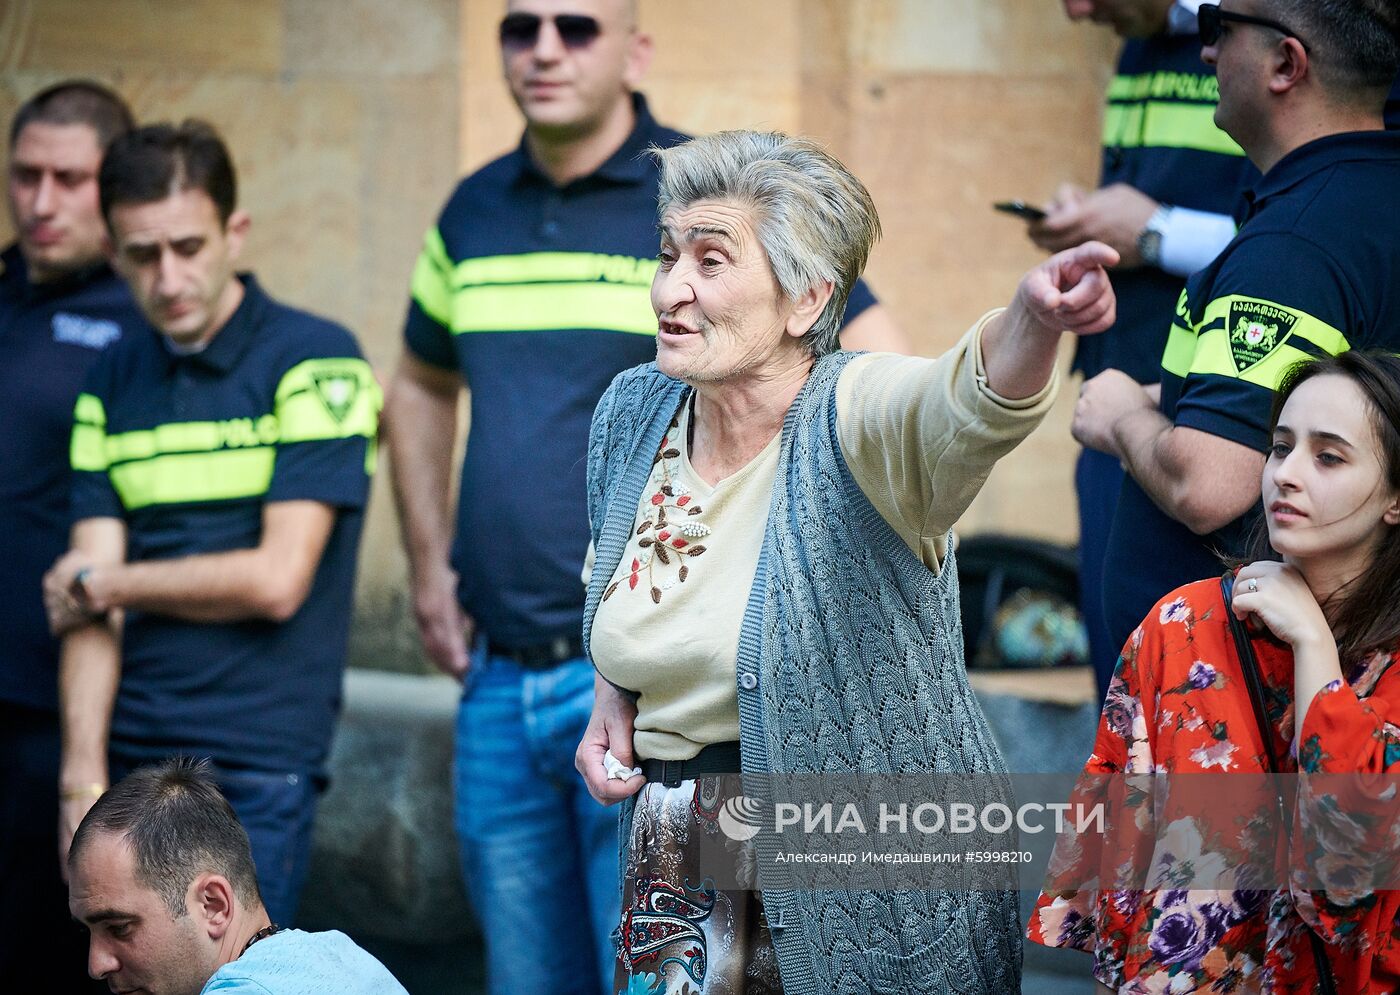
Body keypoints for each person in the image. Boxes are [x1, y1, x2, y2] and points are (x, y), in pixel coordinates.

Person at [382, 2, 907, 992]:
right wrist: (425, 563)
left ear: (637, 50)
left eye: (576, 26)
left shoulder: (697, 205)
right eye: (519, 24)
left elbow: (862, 355)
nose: (543, 48)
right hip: (496, 676)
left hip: (657, 699)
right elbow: (415, 382)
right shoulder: (471, 209)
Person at [576, 129, 1119, 995]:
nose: (667, 288)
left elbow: (956, 405)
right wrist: (613, 691)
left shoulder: (855, 411)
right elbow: (617, 576)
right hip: (677, 847)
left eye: (711, 261)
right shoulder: (634, 410)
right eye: (668, 252)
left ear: (806, 299)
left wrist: (1032, 321)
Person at [44, 120, 381, 927]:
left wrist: (107, 583)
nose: (168, 278)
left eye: (188, 246)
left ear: (235, 231)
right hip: (129, 761)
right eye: (141, 254)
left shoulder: (316, 360)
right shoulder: (111, 380)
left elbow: (275, 579)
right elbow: (89, 617)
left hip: (256, 765)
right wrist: (80, 775)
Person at [1031, 349, 1400, 992]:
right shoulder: (1181, 626)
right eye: (1281, 447)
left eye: (1329, 457)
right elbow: (1118, 881)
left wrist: (1313, 645)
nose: (1286, 474)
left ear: (1396, 498)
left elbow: (1347, 883)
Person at [1073, 0, 1400, 657]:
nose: (1206, 50)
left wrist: (1120, 417)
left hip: (1236, 712)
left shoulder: (1294, 245)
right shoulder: (1365, 196)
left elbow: (1209, 483)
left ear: (1286, 63)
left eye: (1220, 27)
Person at [1027, 0, 1255, 696]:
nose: (1075, 10)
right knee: (1123, 695)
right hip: (1114, 404)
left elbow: (1327, 235)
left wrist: (1158, 231)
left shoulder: (1278, 34)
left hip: (1213, 415)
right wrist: (1093, 222)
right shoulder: (1139, 31)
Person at [0, 80, 142, 992]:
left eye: (69, 179)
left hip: (51, 705)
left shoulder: (142, 322)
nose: (41, 202)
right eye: (24, 175)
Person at [68, 757, 409, 995]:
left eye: (119, 928)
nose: (97, 965)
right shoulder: (342, 958)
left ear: (213, 905)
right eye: (89, 932)